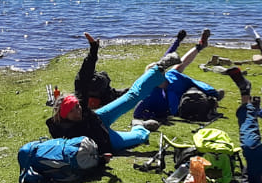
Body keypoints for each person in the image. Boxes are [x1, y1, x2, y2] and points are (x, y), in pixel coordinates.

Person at [47, 49, 181, 152]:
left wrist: (93, 50)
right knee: (139, 137)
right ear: (65, 116)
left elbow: (83, 77)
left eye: (77, 106)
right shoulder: (63, 133)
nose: (78, 111)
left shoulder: (83, 110)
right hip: (104, 137)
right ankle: (140, 126)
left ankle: (160, 67)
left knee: (131, 96)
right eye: (72, 111)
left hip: (97, 118)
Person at [133, 29, 222, 121]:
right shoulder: (150, 95)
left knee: (177, 68)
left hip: (173, 83)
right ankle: (213, 95)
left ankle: (200, 46)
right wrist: (153, 116)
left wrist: (178, 40)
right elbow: (137, 113)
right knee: (179, 73)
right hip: (174, 93)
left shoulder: (165, 77)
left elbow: (168, 56)